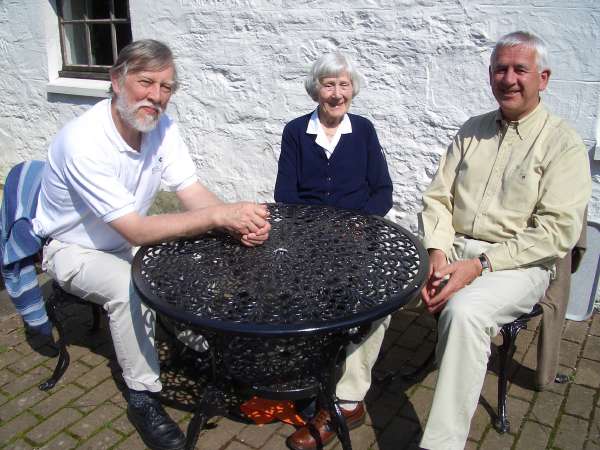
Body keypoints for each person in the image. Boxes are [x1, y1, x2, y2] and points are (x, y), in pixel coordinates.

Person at [33, 40, 271, 450]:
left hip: (123, 236)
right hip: (71, 247)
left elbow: (189, 189)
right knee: (129, 287)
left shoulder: (160, 126)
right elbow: (138, 231)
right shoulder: (84, 141)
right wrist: (218, 217)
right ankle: (143, 395)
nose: (156, 96)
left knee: (200, 255)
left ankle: (198, 346)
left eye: (166, 87)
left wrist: (235, 222)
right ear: (116, 80)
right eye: (146, 82)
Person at [418, 31, 591, 450]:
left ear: (543, 79)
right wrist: (438, 254)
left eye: (520, 69)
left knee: (465, 312)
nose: (508, 78)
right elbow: (438, 197)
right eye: (500, 68)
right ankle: (348, 396)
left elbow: (555, 232)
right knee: (381, 282)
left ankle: (441, 444)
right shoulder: (472, 130)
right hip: (455, 248)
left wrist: (478, 266)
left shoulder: (562, 142)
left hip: (518, 264)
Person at [274, 51, 393, 450]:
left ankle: (345, 398)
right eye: (329, 85)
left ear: (353, 90)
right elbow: (285, 196)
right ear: (316, 91)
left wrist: (358, 225)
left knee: (371, 303)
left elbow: (383, 191)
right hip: (308, 239)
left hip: (357, 238)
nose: (336, 93)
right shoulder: (295, 131)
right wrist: (314, 232)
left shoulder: (364, 131)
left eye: (344, 85)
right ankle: (306, 379)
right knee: (298, 302)